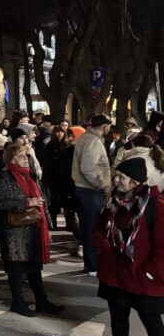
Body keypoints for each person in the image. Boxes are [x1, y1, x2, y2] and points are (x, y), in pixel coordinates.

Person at [94, 157, 164, 336]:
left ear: (135, 181)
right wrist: (102, 243)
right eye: (115, 176)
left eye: (121, 177)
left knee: (153, 324)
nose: (116, 180)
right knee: (118, 323)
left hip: (142, 276)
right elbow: (98, 228)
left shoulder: (155, 204)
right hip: (116, 274)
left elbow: (162, 246)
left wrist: (150, 272)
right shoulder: (114, 201)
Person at [0, 144, 64, 317]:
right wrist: (26, 202)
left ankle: (42, 301)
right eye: (21, 156)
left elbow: (42, 202)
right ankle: (18, 302)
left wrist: (47, 228)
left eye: (26, 156)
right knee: (15, 267)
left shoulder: (30, 176)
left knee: (34, 266)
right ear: (11, 159)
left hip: (32, 228)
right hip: (13, 229)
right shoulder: (3, 177)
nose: (26, 159)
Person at [73, 114, 113, 276]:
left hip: (85, 190)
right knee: (92, 227)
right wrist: (103, 185)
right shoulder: (93, 141)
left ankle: (91, 264)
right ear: (105, 127)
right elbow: (89, 169)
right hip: (90, 191)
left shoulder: (86, 138)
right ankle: (93, 265)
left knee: (89, 227)